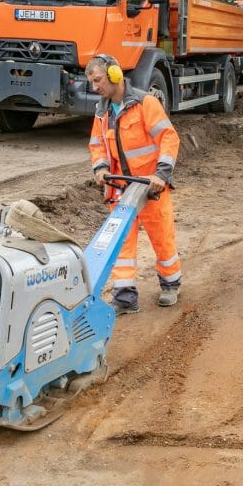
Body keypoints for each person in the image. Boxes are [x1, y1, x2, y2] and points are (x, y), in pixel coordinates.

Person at [86, 54, 181, 314]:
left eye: (98, 80)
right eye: (92, 83)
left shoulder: (145, 104)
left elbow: (169, 138)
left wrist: (161, 175)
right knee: (121, 243)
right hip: (120, 187)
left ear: (115, 75)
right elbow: (97, 145)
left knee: (161, 238)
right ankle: (125, 297)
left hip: (151, 187)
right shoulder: (102, 111)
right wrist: (101, 167)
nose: (95, 88)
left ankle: (170, 284)